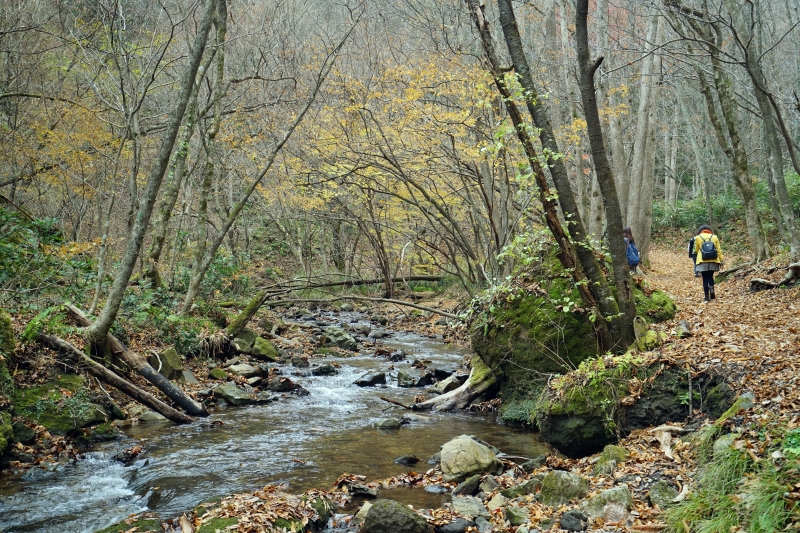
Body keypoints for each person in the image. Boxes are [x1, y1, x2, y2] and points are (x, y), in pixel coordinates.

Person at [693, 224, 724, 303]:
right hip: (713, 260)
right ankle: (712, 289)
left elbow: (696, 250)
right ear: (709, 230)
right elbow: (718, 250)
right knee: (710, 276)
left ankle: (707, 297)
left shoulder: (697, 238)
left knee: (705, 278)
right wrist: (721, 261)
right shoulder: (715, 237)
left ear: (700, 230)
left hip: (702, 260)